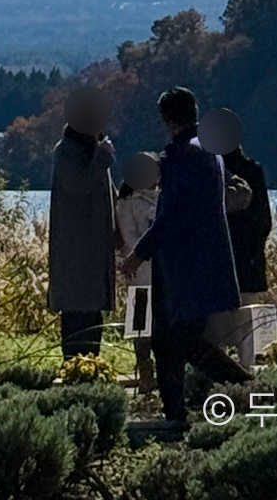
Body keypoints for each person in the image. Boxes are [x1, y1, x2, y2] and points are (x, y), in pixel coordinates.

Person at [122, 86, 251, 431]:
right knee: (176, 342)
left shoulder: (182, 156)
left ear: (167, 120)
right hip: (206, 265)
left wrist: (138, 253)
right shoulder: (211, 152)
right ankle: (176, 415)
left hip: (184, 269)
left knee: (180, 342)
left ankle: (246, 390)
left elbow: (172, 216)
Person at [48, 84, 117, 358]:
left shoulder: (97, 150)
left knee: (93, 316)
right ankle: (74, 371)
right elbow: (78, 186)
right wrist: (102, 158)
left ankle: (92, 368)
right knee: (76, 316)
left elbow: (109, 195)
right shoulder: (65, 151)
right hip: (75, 253)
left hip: (96, 252)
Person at [200, 108, 272, 297]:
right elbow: (264, 221)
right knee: (246, 322)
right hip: (250, 267)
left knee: (217, 324)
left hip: (214, 270)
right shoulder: (253, 170)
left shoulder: (206, 172)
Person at [115, 151, 160, 396]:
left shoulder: (163, 197)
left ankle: (163, 373)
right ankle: (145, 374)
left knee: (163, 327)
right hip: (140, 272)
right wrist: (147, 252)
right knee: (142, 329)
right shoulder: (127, 202)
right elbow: (128, 238)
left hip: (163, 274)